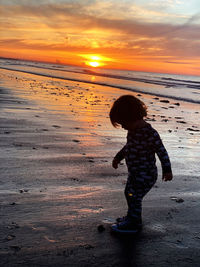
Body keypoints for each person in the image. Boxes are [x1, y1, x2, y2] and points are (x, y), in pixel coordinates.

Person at [109, 95, 173, 233]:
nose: (123, 127)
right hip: (135, 173)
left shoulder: (150, 133)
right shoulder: (133, 131)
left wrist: (167, 170)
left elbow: (162, 151)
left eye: (124, 123)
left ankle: (134, 223)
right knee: (130, 194)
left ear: (133, 117)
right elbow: (129, 147)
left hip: (146, 174)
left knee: (134, 195)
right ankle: (132, 217)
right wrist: (118, 157)